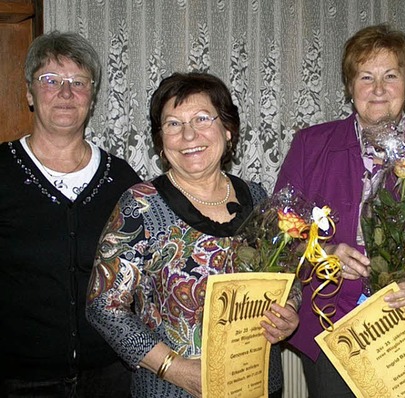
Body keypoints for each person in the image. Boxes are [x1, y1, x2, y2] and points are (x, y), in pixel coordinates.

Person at [86, 72, 300, 398]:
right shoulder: (140, 205)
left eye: (202, 118)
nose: (188, 135)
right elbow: (104, 307)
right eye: (173, 124)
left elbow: (288, 275)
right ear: (161, 140)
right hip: (173, 389)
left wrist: (289, 312)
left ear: (228, 129)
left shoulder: (257, 197)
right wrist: (176, 369)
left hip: (258, 384)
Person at [274, 24, 405, 397]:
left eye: (391, 76)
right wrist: (323, 254)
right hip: (331, 329)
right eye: (366, 77)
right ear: (350, 87)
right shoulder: (312, 145)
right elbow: (281, 233)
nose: (378, 89)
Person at [0, 31, 140, 397]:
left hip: (111, 378)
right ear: (29, 94)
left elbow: (145, 273)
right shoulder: (1, 171)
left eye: (78, 82)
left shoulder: (122, 179)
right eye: (51, 80)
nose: (65, 93)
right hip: (20, 381)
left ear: (91, 98)